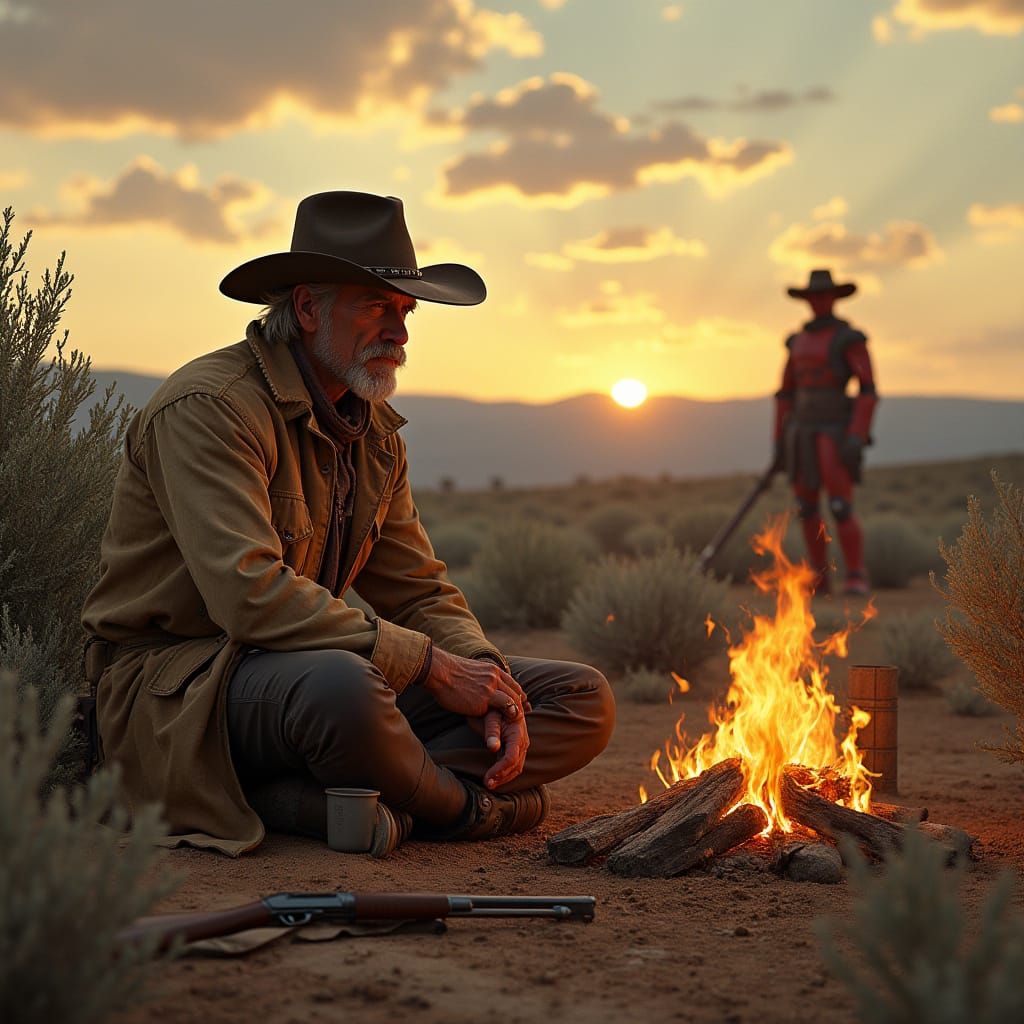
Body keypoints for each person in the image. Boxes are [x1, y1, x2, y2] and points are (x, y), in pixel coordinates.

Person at [82, 191, 615, 857]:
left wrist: (484, 676)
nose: (400, 332)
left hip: (297, 680)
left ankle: (332, 794)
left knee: (577, 696)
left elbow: (418, 590)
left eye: (404, 310)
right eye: (376, 307)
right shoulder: (211, 409)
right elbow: (250, 597)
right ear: (307, 308)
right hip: (182, 692)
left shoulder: (374, 433)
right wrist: (430, 668)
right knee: (345, 691)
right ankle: (460, 809)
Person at [773, 268, 878, 596]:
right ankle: (819, 575)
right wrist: (779, 440)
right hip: (801, 431)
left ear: (833, 298)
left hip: (833, 429)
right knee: (806, 505)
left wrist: (856, 436)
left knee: (839, 504)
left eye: (823, 295)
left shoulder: (849, 340)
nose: (818, 302)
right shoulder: (797, 342)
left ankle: (855, 573)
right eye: (813, 297)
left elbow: (868, 389)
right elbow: (786, 393)